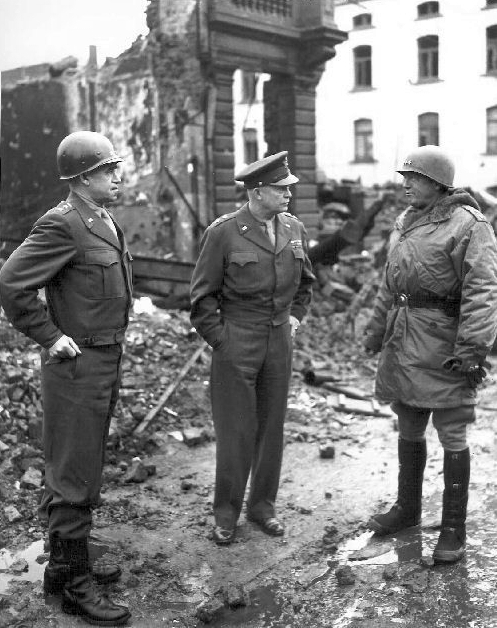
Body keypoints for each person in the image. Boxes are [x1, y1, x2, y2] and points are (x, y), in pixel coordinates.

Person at [0, 131, 132, 625]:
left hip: (103, 361)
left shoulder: (101, 219)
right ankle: (74, 585)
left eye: (116, 166)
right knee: (72, 469)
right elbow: (11, 282)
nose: (117, 175)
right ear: (81, 178)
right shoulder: (62, 224)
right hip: (76, 366)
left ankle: (62, 565)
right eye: (108, 169)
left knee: (86, 460)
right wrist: (48, 334)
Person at [364, 145, 497, 563]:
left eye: (414, 178)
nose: (405, 185)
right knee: (408, 419)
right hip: (403, 338)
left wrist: (473, 348)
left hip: (445, 343)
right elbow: (391, 286)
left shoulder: (469, 225)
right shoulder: (404, 223)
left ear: (438, 184)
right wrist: (374, 330)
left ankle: (453, 529)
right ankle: (408, 510)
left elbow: (483, 290)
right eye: (404, 177)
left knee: (453, 428)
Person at [190, 151, 314, 545]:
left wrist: (294, 318)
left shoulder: (294, 228)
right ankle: (226, 514)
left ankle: (263, 507)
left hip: (278, 340)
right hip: (236, 339)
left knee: (271, 429)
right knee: (236, 432)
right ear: (258, 192)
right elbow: (202, 299)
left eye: (289, 188)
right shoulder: (223, 233)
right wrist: (223, 342)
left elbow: (306, 283)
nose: (288, 195)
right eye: (281, 189)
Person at [308, 199, 384, 267]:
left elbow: (358, 235)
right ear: (322, 219)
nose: (339, 221)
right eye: (334, 217)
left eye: (343, 218)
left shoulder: (348, 240)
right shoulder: (314, 244)